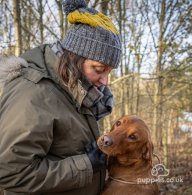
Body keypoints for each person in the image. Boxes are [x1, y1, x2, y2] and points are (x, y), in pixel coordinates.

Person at [0, 0, 122, 194]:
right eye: (99, 69)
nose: (105, 81)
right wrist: (86, 165)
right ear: (74, 58)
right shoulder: (33, 94)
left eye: (109, 71)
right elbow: (10, 172)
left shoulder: (77, 91)